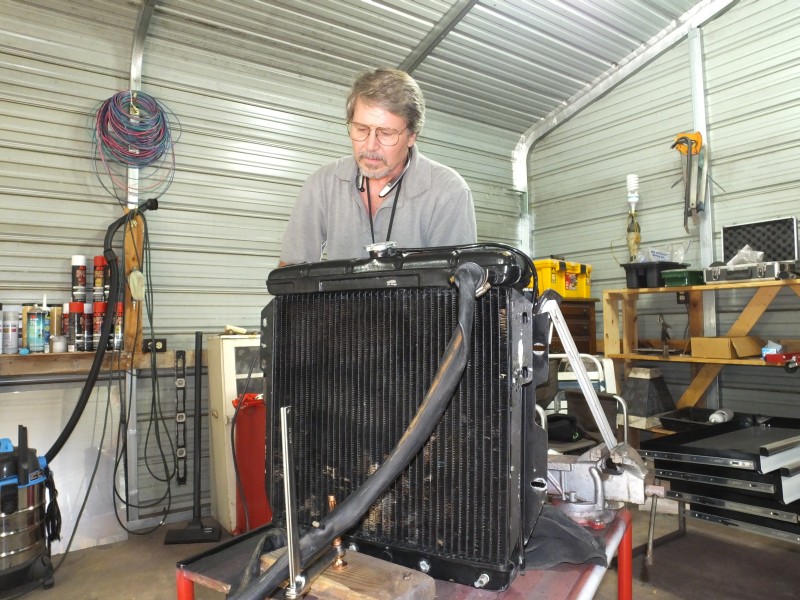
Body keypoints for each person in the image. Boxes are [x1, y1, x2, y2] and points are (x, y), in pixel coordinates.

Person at [279, 68, 477, 265]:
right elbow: (289, 272)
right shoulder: (324, 183)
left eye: (386, 133)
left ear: (411, 136)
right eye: (361, 129)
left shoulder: (448, 191)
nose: (370, 145)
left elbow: (455, 280)